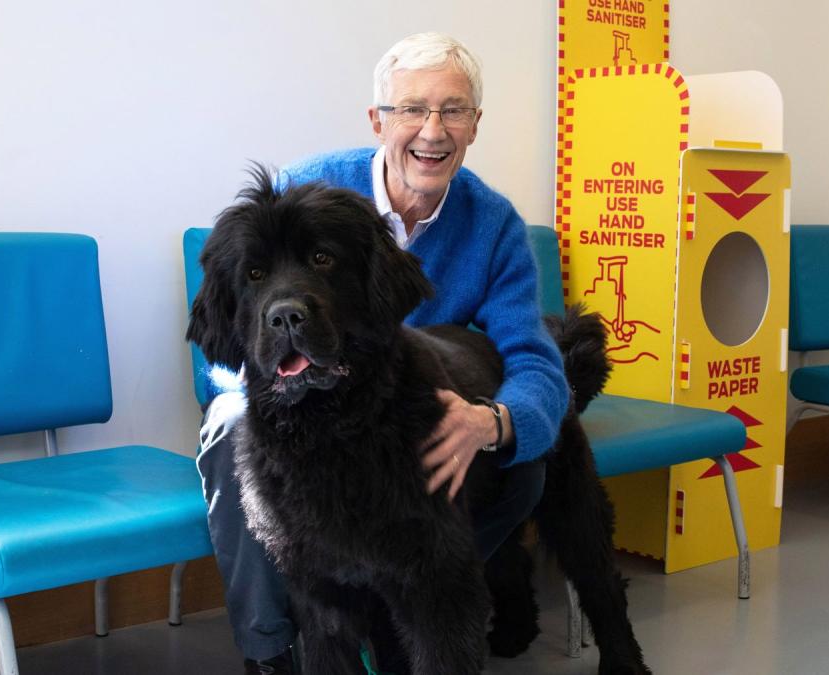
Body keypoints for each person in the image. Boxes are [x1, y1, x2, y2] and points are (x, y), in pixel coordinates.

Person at [196, 32, 569, 674]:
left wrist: (496, 422)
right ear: (378, 121)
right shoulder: (302, 193)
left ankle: (414, 610)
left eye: (453, 110)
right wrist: (271, 387)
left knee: (520, 459)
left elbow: (533, 359)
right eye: (411, 110)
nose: (432, 129)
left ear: (475, 126)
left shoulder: (494, 225)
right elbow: (231, 329)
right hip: (283, 401)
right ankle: (273, 650)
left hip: (398, 401)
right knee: (236, 431)